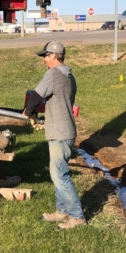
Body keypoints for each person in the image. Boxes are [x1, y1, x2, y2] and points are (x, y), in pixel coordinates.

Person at [23, 41, 86, 229]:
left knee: (60, 175)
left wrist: (29, 112)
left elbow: (35, 96)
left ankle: (77, 216)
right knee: (58, 173)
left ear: (54, 56)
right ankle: (62, 211)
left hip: (59, 132)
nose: (44, 59)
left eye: (46, 55)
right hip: (66, 130)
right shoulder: (69, 76)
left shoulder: (52, 74)